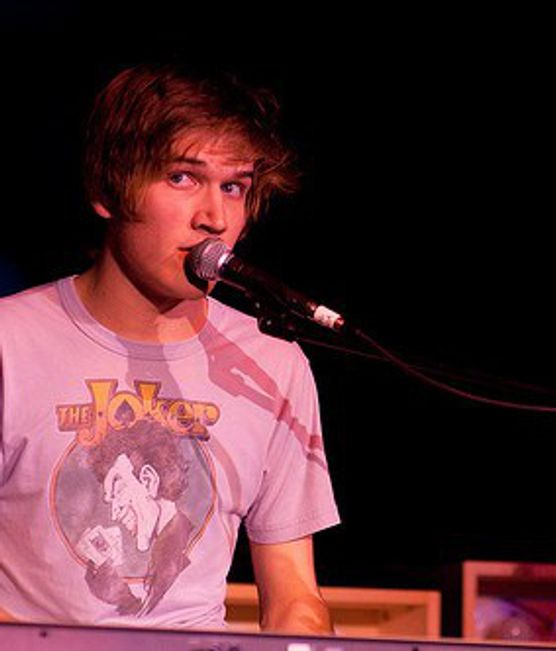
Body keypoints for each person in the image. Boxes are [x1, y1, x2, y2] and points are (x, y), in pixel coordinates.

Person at [0, 63, 340, 633]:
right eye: (183, 178)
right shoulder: (11, 343)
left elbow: (295, 596)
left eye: (233, 187)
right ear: (106, 188)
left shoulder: (271, 364)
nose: (214, 218)